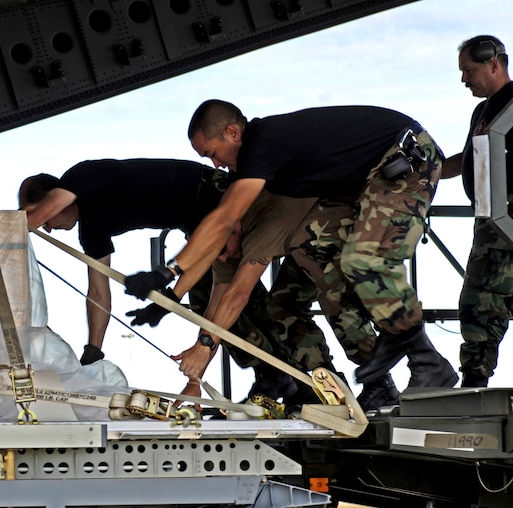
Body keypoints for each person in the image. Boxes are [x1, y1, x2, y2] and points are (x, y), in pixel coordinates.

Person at [124, 100, 458, 390]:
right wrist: (169, 299)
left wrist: (165, 273)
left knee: (364, 259)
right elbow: (218, 293)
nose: (215, 164)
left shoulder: (262, 147)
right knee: (307, 247)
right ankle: (385, 352)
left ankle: (426, 359)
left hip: (404, 160)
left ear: (232, 133)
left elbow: (228, 240)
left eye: (212, 153)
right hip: (359, 185)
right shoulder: (245, 193)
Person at [19, 158, 294, 380]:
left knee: (235, 296)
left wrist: (15, 224)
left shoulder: (82, 175)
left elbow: (36, 216)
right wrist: (93, 350)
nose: (44, 226)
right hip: (194, 223)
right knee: (205, 303)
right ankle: (272, 375)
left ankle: (285, 374)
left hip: (215, 196)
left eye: (38, 213)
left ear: (52, 199)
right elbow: (98, 292)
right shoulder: (91, 230)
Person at [152, 189, 399, 412]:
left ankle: (379, 383)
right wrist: (195, 379)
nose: (224, 259)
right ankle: (324, 387)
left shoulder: (260, 229)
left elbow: (238, 295)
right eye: (214, 255)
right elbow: (215, 315)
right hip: (304, 245)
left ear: (234, 228)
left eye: (222, 251)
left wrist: (203, 347)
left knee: (337, 300)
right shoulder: (224, 248)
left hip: (339, 228)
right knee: (283, 305)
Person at [441, 35, 513, 387]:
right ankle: (475, 379)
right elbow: (468, 157)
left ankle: (474, 381)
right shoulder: (482, 111)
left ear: (493, 64)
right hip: (490, 221)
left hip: (505, 221)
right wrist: (427, 171)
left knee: (479, 301)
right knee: (483, 303)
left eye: (469, 70)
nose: (464, 80)